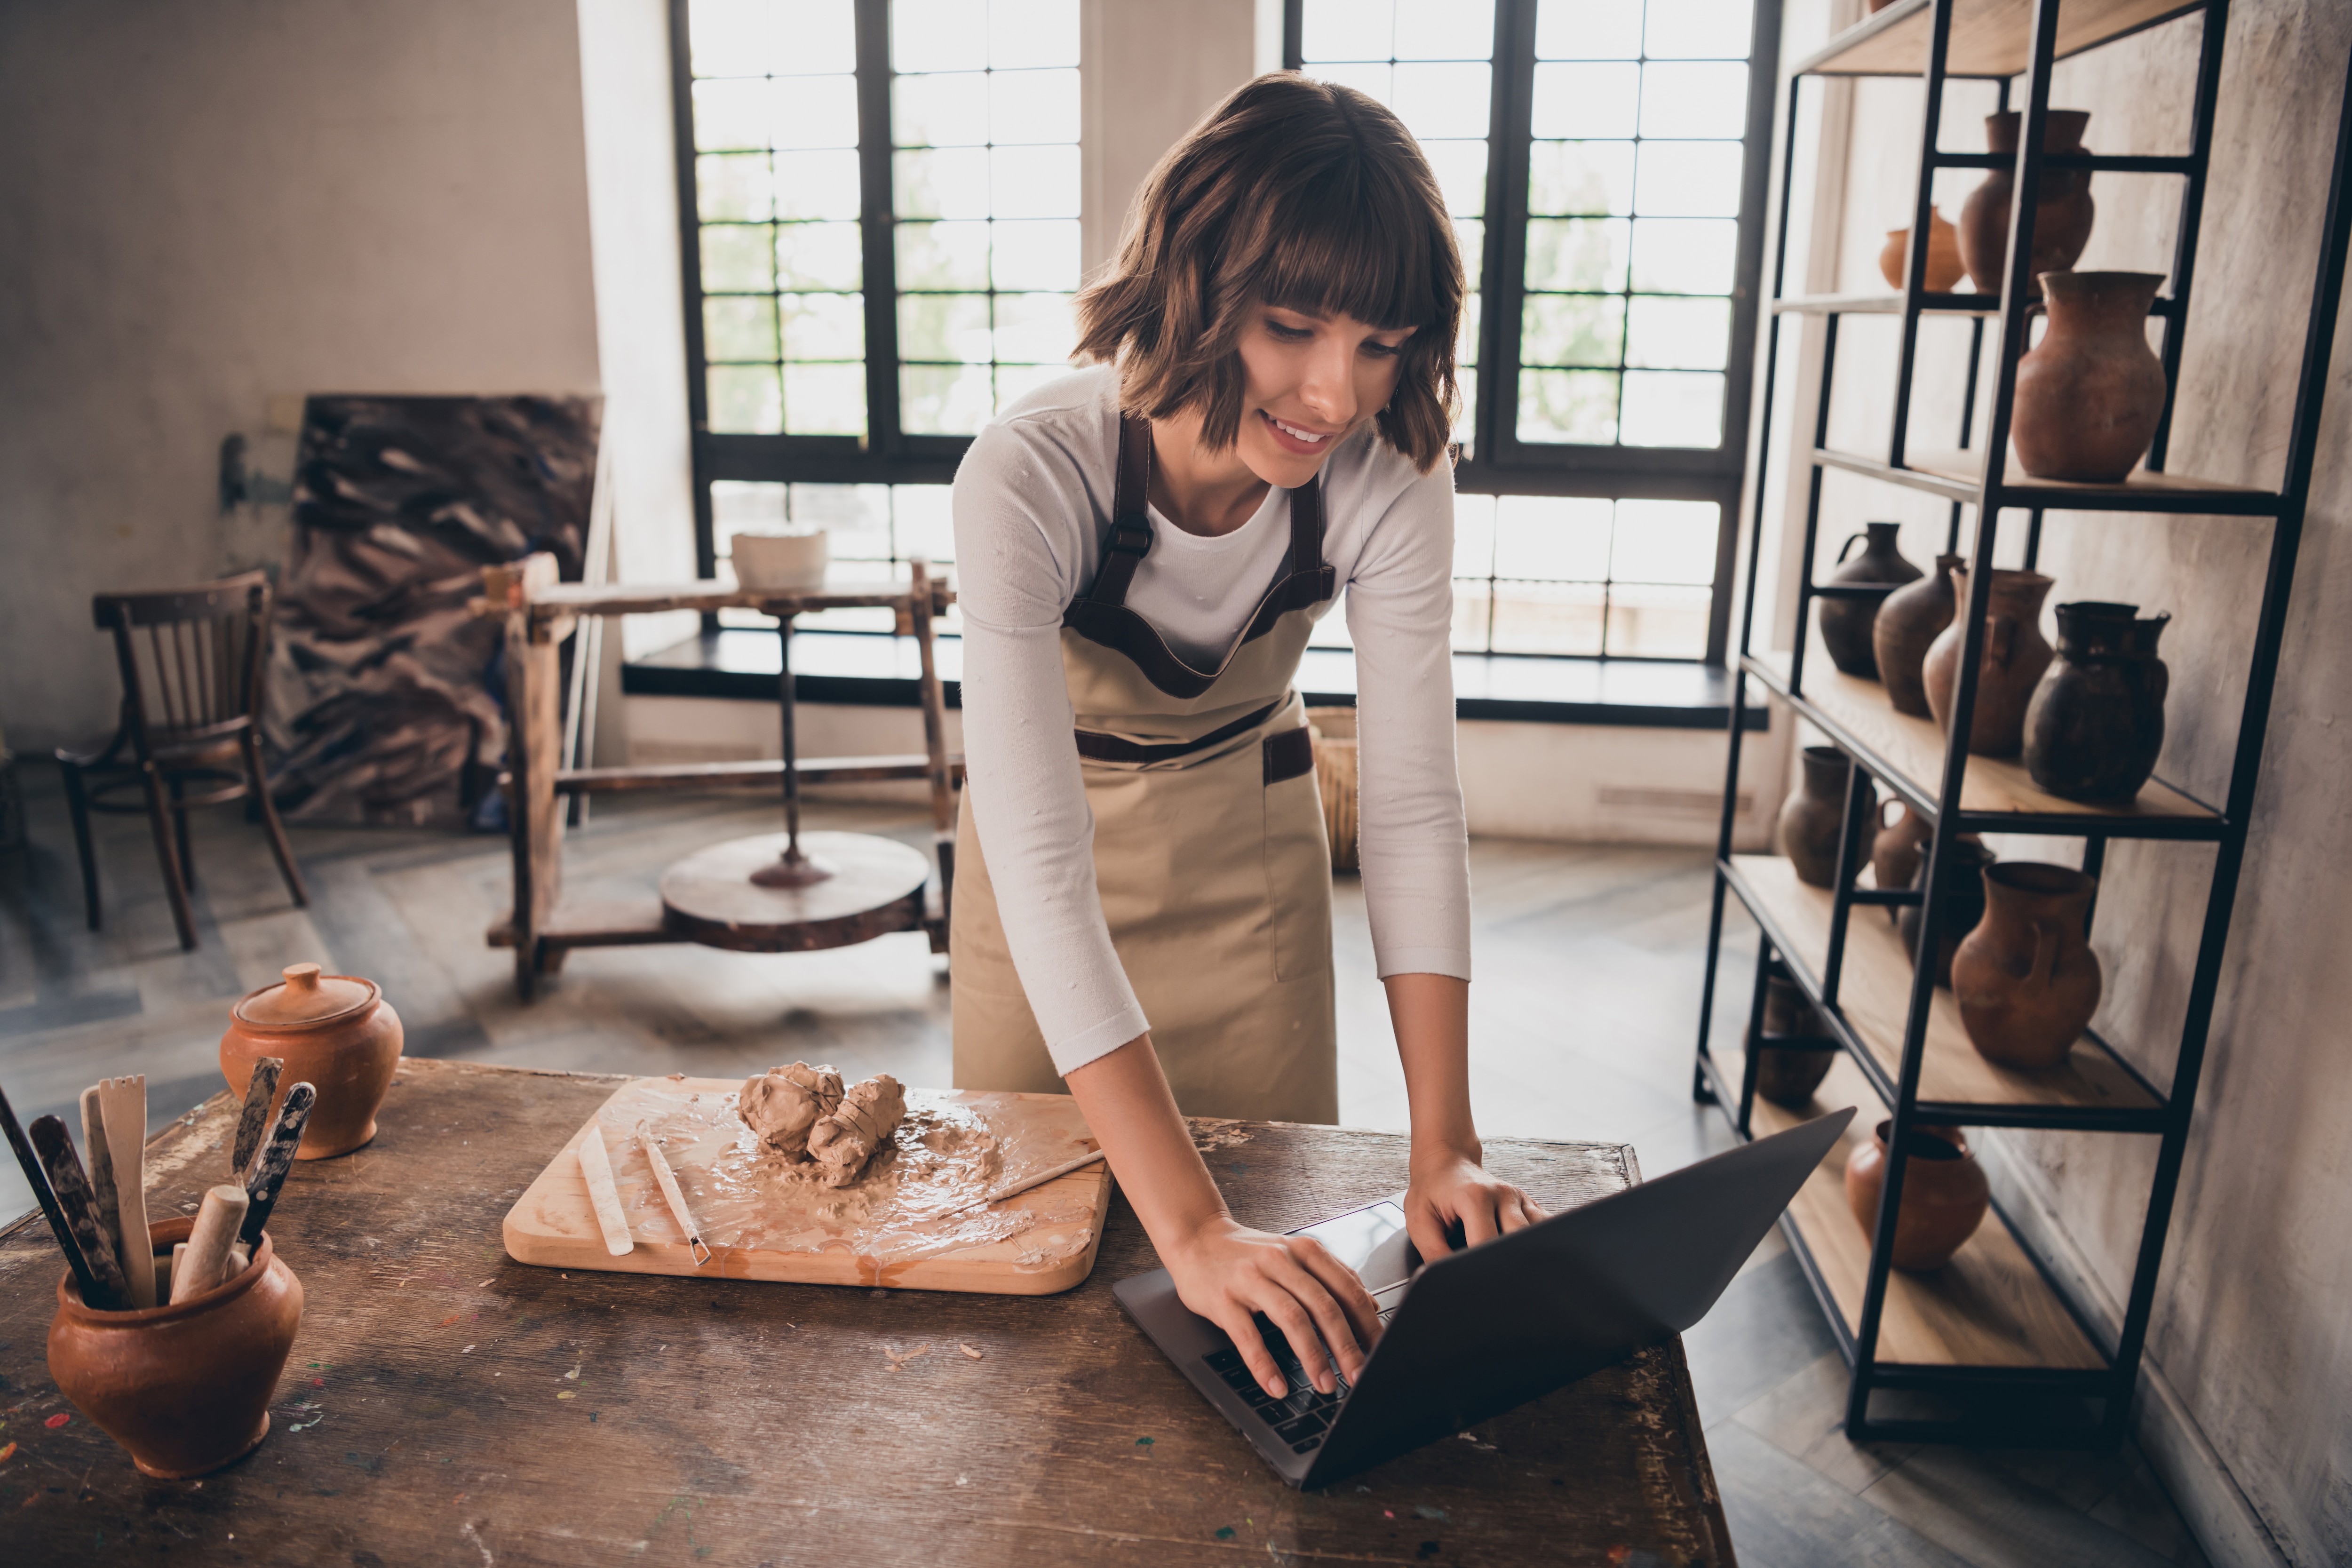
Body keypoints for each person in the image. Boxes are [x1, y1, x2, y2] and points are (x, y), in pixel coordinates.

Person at [949, 73, 1541, 1402]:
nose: (1337, 393)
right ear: (1194, 282)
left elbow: (1407, 810)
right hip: (1039, 897)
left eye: (1383, 343)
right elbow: (1045, 871)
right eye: (1292, 328)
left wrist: (1441, 1143)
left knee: (1267, 1325)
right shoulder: (1029, 474)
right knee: (1037, 1313)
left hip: (1251, 872)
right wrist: (1192, 1226)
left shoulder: (1389, 479)